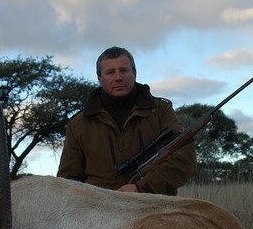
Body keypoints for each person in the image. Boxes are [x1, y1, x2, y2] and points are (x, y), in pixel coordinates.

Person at [57, 46, 196, 195]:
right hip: (99, 212)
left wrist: (142, 187)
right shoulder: (79, 124)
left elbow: (184, 159)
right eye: (110, 72)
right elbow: (67, 180)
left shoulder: (161, 111)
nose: (118, 77)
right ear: (100, 78)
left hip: (154, 208)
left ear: (134, 73)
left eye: (123, 70)